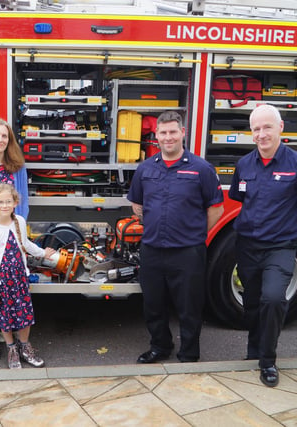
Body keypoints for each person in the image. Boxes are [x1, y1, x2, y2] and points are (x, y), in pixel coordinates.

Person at [228, 104, 297, 387]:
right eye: (256, 129)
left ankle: (268, 361)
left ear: (280, 127)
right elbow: (240, 200)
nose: (261, 134)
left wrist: (290, 235)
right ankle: (253, 351)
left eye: (267, 127)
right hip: (248, 246)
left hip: (280, 247)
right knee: (253, 303)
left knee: (273, 299)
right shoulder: (244, 165)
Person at [127, 111, 224, 364]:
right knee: (153, 305)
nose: (167, 137)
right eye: (163, 133)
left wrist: (196, 235)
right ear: (156, 136)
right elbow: (137, 204)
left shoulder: (201, 169)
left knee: (189, 307)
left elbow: (216, 208)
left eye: (172, 132)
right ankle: (160, 347)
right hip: (152, 249)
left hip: (188, 251)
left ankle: (189, 353)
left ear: (182, 133)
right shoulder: (146, 168)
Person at [0, 183, 56, 369]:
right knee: (5, 318)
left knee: (25, 316)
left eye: (8, 201)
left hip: (19, 279)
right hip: (1, 283)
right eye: (0, 202)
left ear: (15, 203)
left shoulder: (19, 221)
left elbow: (25, 244)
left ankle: (25, 347)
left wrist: (42, 253)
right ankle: (11, 348)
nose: (4, 205)